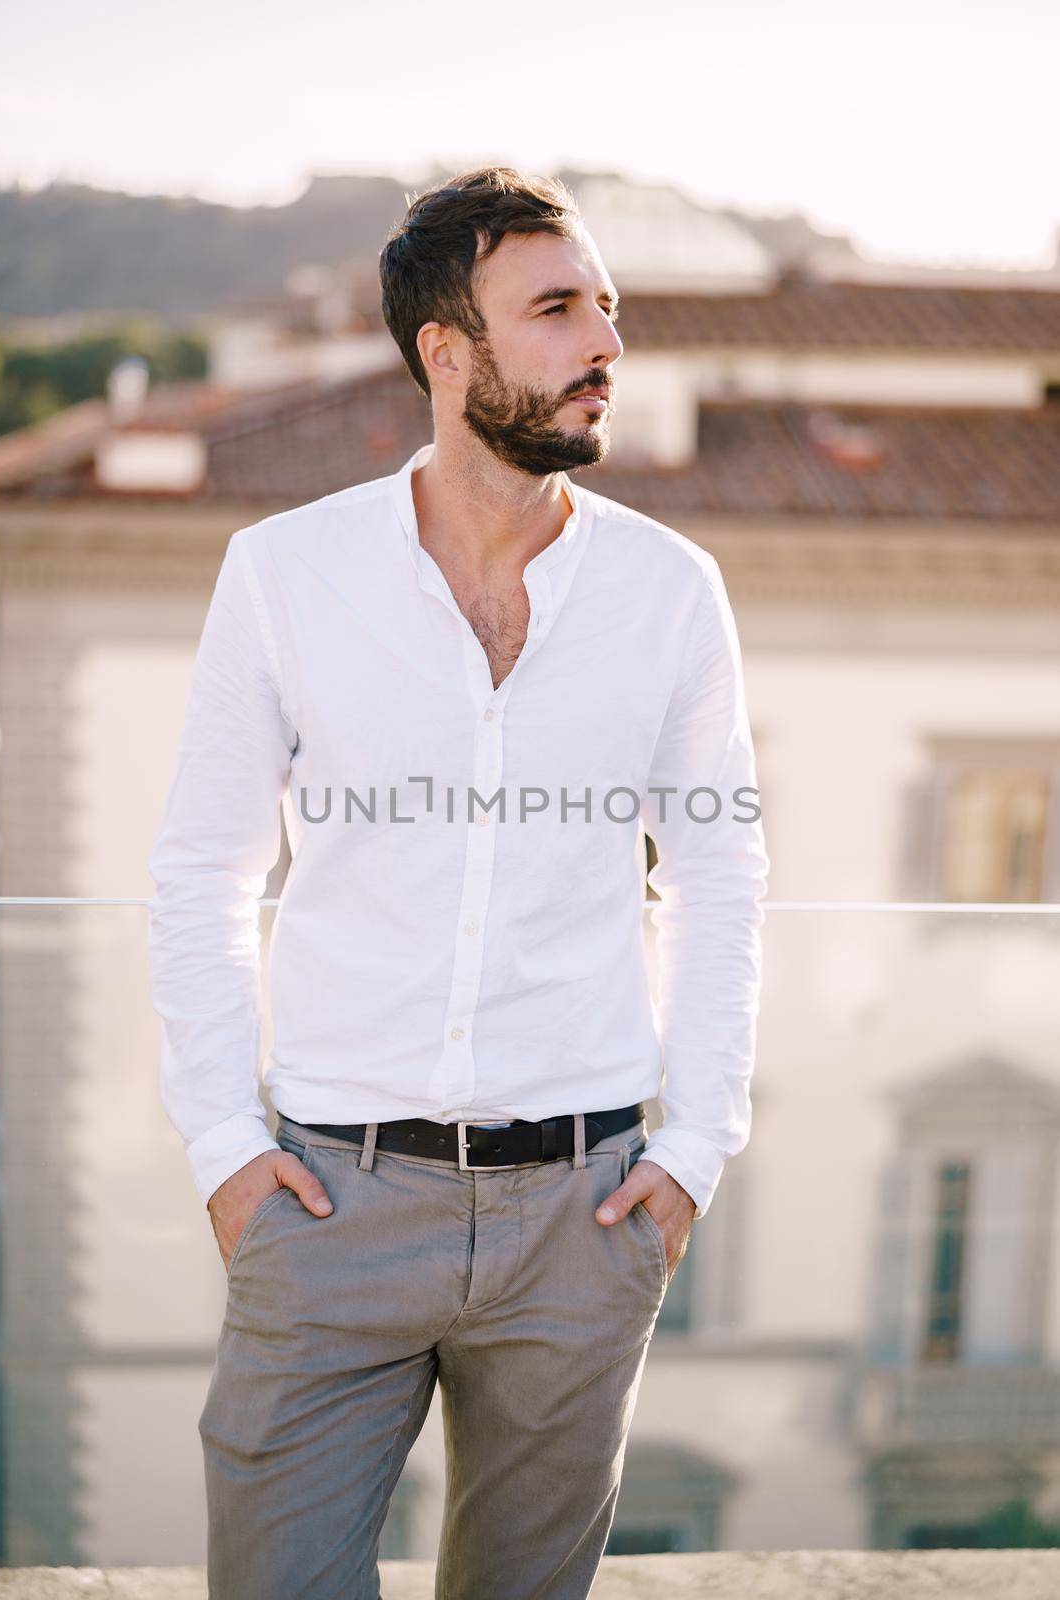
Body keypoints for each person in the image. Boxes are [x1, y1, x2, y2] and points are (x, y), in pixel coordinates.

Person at [146, 165, 770, 1600]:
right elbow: (201, 873)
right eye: (556, 309)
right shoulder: (285, 575)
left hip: (589, 1215)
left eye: (607, 308)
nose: (604, 342)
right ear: (449, 350)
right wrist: (225, 1155)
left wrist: (692, 1157)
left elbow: (724, 872)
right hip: (327, 1206)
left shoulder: (672, 592)